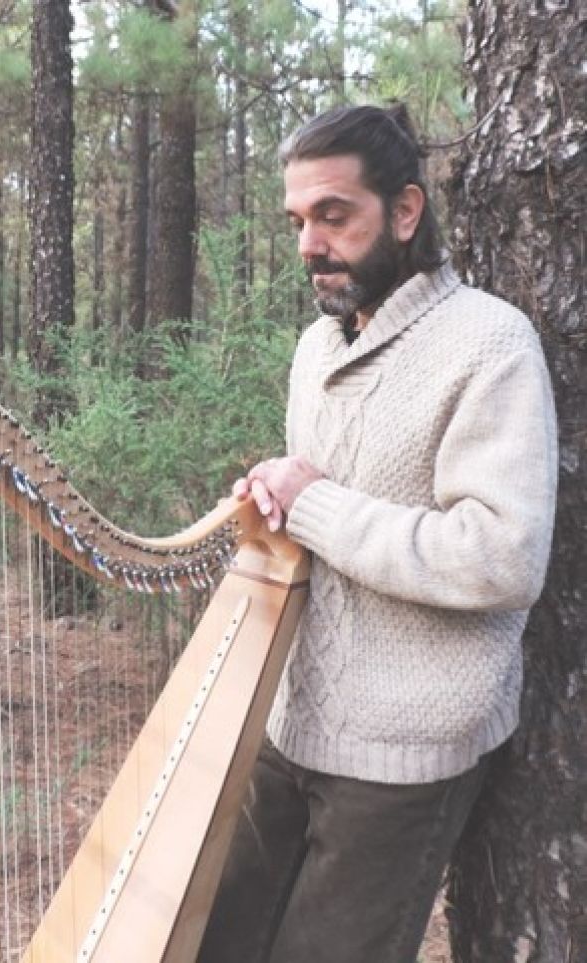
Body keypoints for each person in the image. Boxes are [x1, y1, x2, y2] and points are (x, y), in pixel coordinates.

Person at [196, 104, 558, 963]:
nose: (308, 245)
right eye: (296, 221)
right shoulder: (314, 351)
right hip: (287, 720)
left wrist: (313, 502)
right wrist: (273, 505)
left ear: (404, 211)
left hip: (402, 750)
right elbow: (323, 517)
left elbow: (501, 558)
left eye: (333, 215)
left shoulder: (489, 344)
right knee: (206, 941)